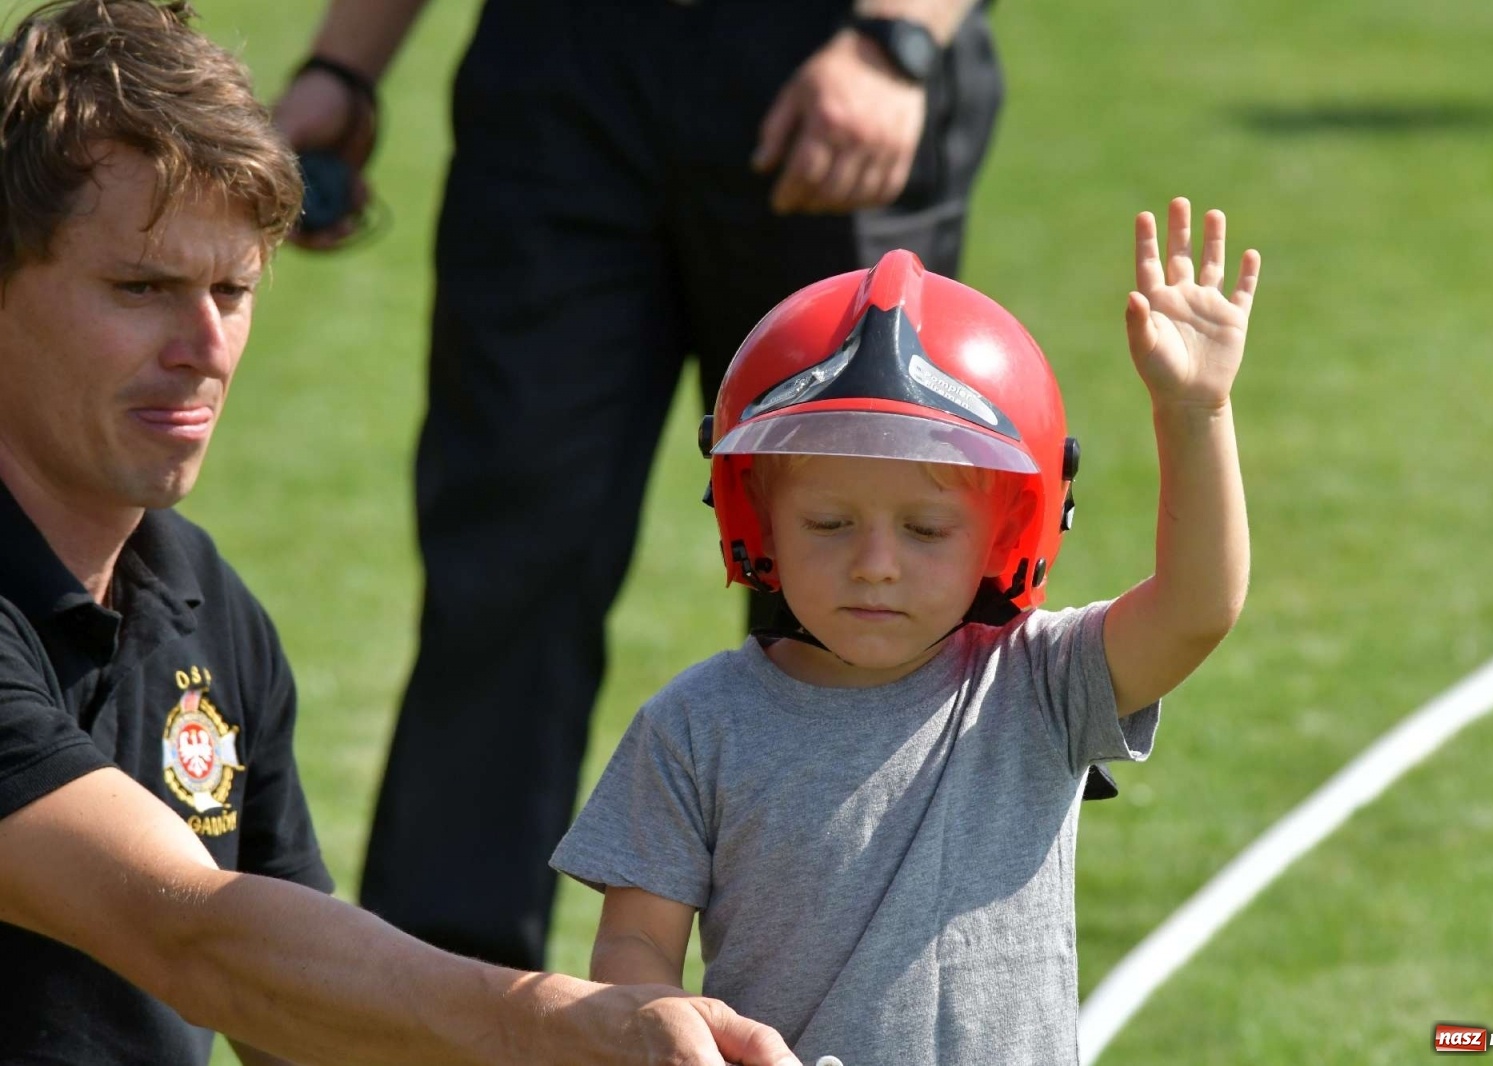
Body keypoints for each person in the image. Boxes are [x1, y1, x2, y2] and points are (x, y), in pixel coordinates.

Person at [0, 3, 802, 1064]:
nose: (204, 347)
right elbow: (192, 936)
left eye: (233, 289)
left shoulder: (197, 598)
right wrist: (567, 1022)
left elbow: (304, 1017)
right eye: (140, 287)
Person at [271, 0, 1007, 971]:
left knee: (853, 584)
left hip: (828, 60)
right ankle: (444, 1014)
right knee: (504, 562)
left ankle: (838, 1004)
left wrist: (895, 37)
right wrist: (346, 66)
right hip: (559, 73)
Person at [549, 200, 1261, 1061]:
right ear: (757, 518)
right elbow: (633, 947)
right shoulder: (694, 727)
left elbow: (1197, 608)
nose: (876, 564)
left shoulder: (1038, 682)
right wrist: (653, 1016)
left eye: (925, 530)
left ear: (1007, 534)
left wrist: (1195, 414)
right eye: (829, 524)